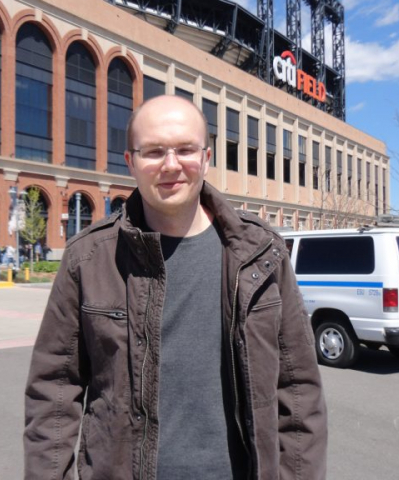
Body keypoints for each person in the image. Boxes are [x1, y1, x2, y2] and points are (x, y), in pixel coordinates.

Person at [24, 96, 327, 479]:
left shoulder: (261, 252)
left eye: (185, 149)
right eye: (153, 151)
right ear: (130, 161)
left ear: (206, 157)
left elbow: (298, 390)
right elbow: (54, 390)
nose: (171, 165)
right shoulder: (88, 257)